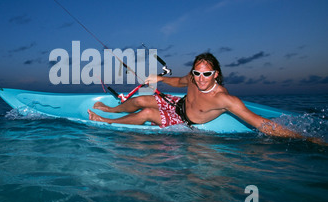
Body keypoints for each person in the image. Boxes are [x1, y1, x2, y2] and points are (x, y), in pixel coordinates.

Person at [88, 52, 311, 141]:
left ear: (216, 74)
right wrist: (159, 78)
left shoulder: (225, 99)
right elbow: (177, 81)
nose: (201, 78)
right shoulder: (193, 78)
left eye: (207, 74)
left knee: (146, 112)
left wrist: (306, 138)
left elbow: (262, 124)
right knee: (139, 99)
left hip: (184, 121)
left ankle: (106, 120)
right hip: (178, 104)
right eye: (197, 72)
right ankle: (111, 109)